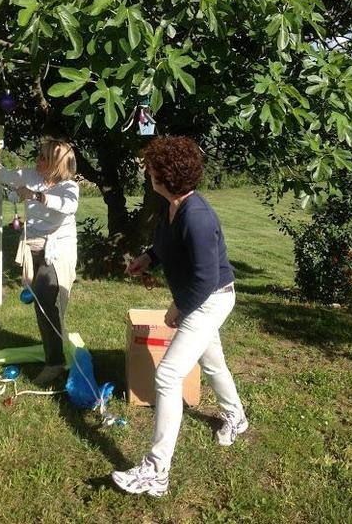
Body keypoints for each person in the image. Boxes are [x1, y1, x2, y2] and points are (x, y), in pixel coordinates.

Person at [112, 136, 247, 497]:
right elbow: (165, 245)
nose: (148, 172)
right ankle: (237, 417)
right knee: (214, 364)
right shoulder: (172, 206)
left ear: (165, 176)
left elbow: (206, 278)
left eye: (151, 168)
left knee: (168, 376)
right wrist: (148, 259)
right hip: (199, 298)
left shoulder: (198, 217)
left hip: (211, 299)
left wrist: (177, 308)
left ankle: (156, 472)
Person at [0, 138, 78, 387]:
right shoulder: (29, 174)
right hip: (33, 246)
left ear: (57, 163)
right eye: (39, 155)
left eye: (44, 157)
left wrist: (37, 196)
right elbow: (3, 174)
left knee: (47, 300)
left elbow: (69, 206)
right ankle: (54, 355)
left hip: (58, 250)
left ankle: (54, 363)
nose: (38, 160)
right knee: (43, 303)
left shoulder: (69, 186)